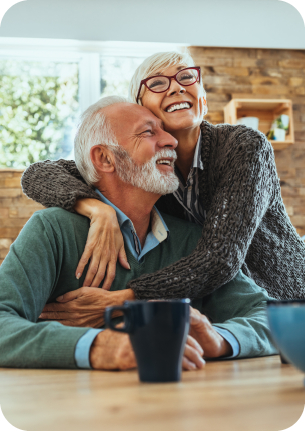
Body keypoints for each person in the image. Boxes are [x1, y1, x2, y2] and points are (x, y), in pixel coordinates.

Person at [0, 96, 276, 370]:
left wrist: (220, 339)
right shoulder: (52, 231)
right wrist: (99, 346)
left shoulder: (192, 240)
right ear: (105, 158)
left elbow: (272, 317)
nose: (171, 141)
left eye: (164, 131)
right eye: (148, 132)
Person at [21, 51, 305, 302]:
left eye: (186, 78)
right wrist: (97, 209)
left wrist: (127, 298)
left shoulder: (244, 146)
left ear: (203, 100)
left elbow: (221, 257)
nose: (177, 88)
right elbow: (39, 174)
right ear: (140, 108)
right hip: (218, 305)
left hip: (283, 300)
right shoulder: (146, 169)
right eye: (157, 83)